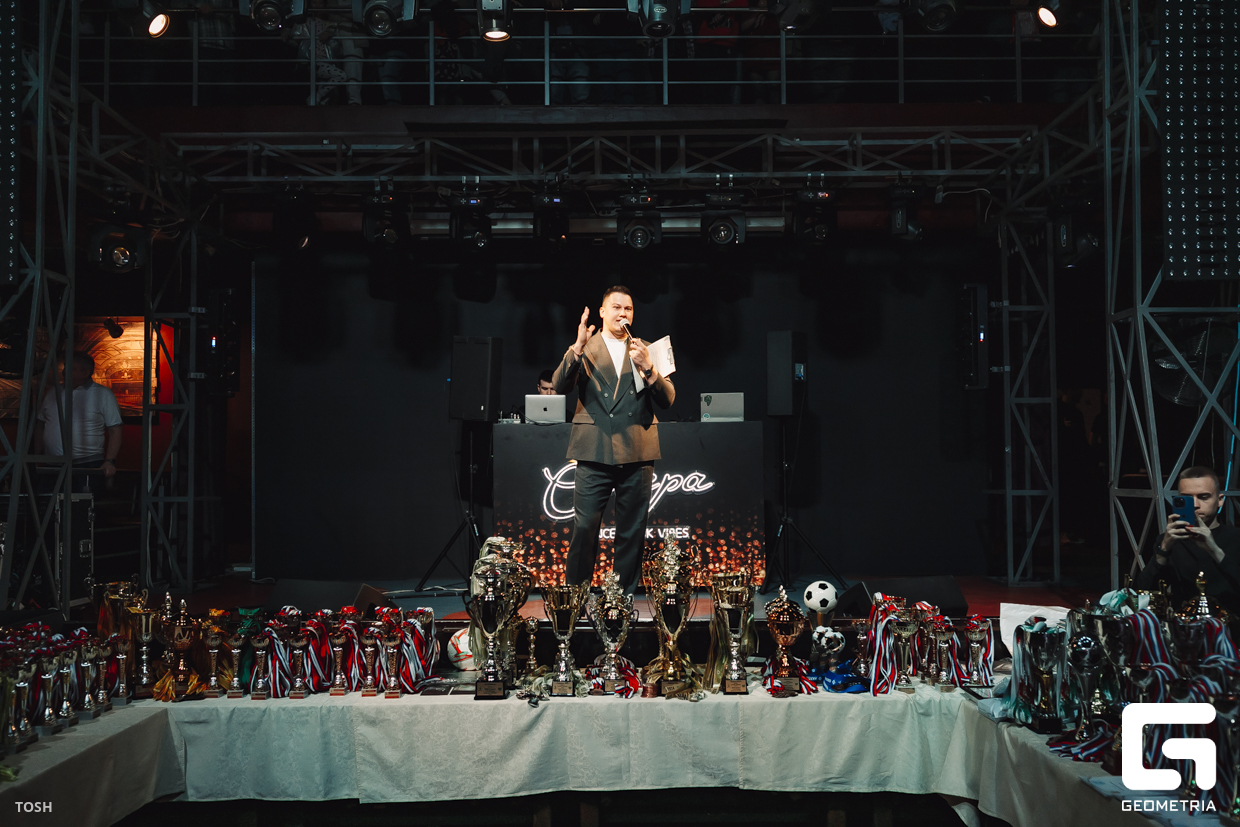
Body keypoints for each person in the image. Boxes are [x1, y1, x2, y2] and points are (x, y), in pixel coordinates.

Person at [551, 286, 675, 595]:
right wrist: (577, 347)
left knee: (631, 531)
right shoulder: (586, 347)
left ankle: (621, 600)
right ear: (602, 312)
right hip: (593, 449)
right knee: (584, 527)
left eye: (628, 309)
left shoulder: (647, 349)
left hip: (637, 448)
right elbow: (559, 385)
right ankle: (575, 597)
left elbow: (669, 399)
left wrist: (648, 368)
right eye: (616, 307)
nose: (623, 314)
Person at [1136, 465, 1240, 615]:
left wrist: (1215, 551)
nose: (1195, 505)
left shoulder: (1236, 538)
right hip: (1184, 624)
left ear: (1220, 500)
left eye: (1203, 497)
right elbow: (1143, 592)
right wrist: (1163, 549)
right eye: (1187, 499)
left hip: (1230, 624)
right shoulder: (1170, 541)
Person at [32, 352, 123, 494]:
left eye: (71, 368)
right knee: (47, 503)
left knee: (81, 505)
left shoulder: (102, 394)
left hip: (87, 464)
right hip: (53, 465)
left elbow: (115, 430)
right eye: (65, 367)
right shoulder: (53, 392)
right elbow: (41, 424)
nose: (64, 371)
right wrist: (35, 456)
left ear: (85, 372)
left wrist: (109, 461)